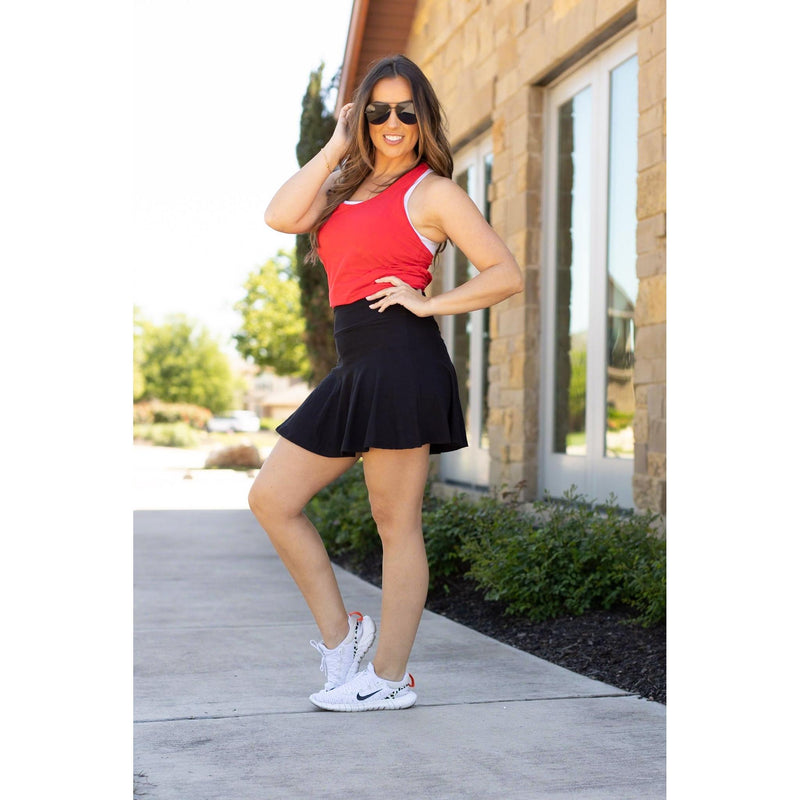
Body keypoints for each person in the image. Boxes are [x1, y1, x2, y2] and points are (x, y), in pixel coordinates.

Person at [248, 54, 523, 712]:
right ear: (361, 116)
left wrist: (429, 304)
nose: (392, 122)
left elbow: (505, 273)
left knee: (396, 525)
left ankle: (391, 676)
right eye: (378, 111)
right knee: (272, 498)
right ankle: (342, 638)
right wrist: (336, 144)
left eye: (405, 110)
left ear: (422, 116)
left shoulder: (433, 192)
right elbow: (280, 216)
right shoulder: (343, 185)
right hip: (355, 366)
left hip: (402, 362)